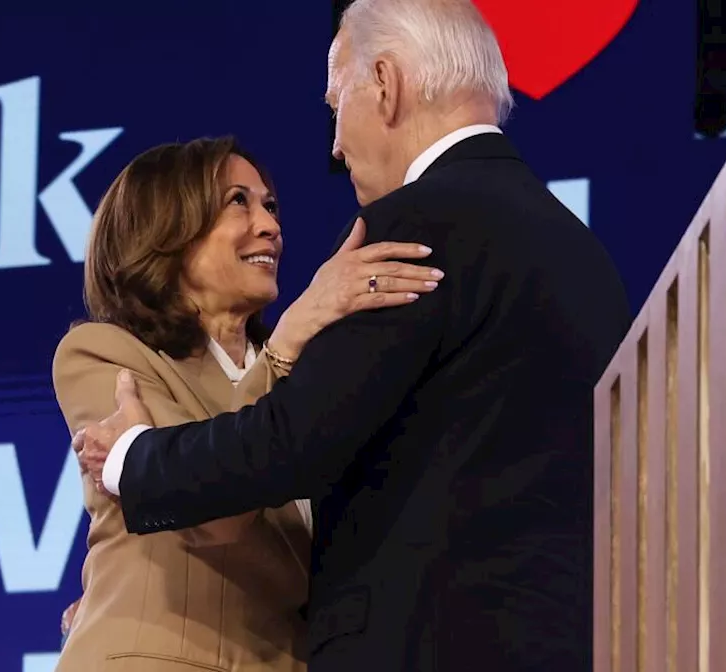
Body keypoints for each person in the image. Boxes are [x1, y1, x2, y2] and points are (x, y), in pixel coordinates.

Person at [72, 1, 633, 671]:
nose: (335, 145)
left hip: (420, 642)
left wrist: (135, 460)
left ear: (387, 86)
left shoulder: (415, 225)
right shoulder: (585, 256)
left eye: (339, 104)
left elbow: (295, 440)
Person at [52, 136, 440, 671]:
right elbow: (211, 508)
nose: (270, 226)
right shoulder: (108, 355)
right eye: (239, 202)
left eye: (271, 206)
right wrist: (289, 341)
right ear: (165, 226)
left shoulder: (311, 376)